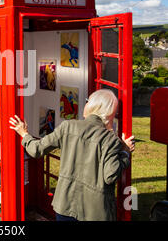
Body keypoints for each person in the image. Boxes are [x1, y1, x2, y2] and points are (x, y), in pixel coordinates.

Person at [9, 89, 135, 221]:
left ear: (93, 106)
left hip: (64, 206)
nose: (85, 104)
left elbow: (36, 149)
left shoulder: (68, 126)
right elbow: (111, 175)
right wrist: (125, 153)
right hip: (94, 213)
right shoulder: (110, 139)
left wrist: (24, 134)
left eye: (87, 101)